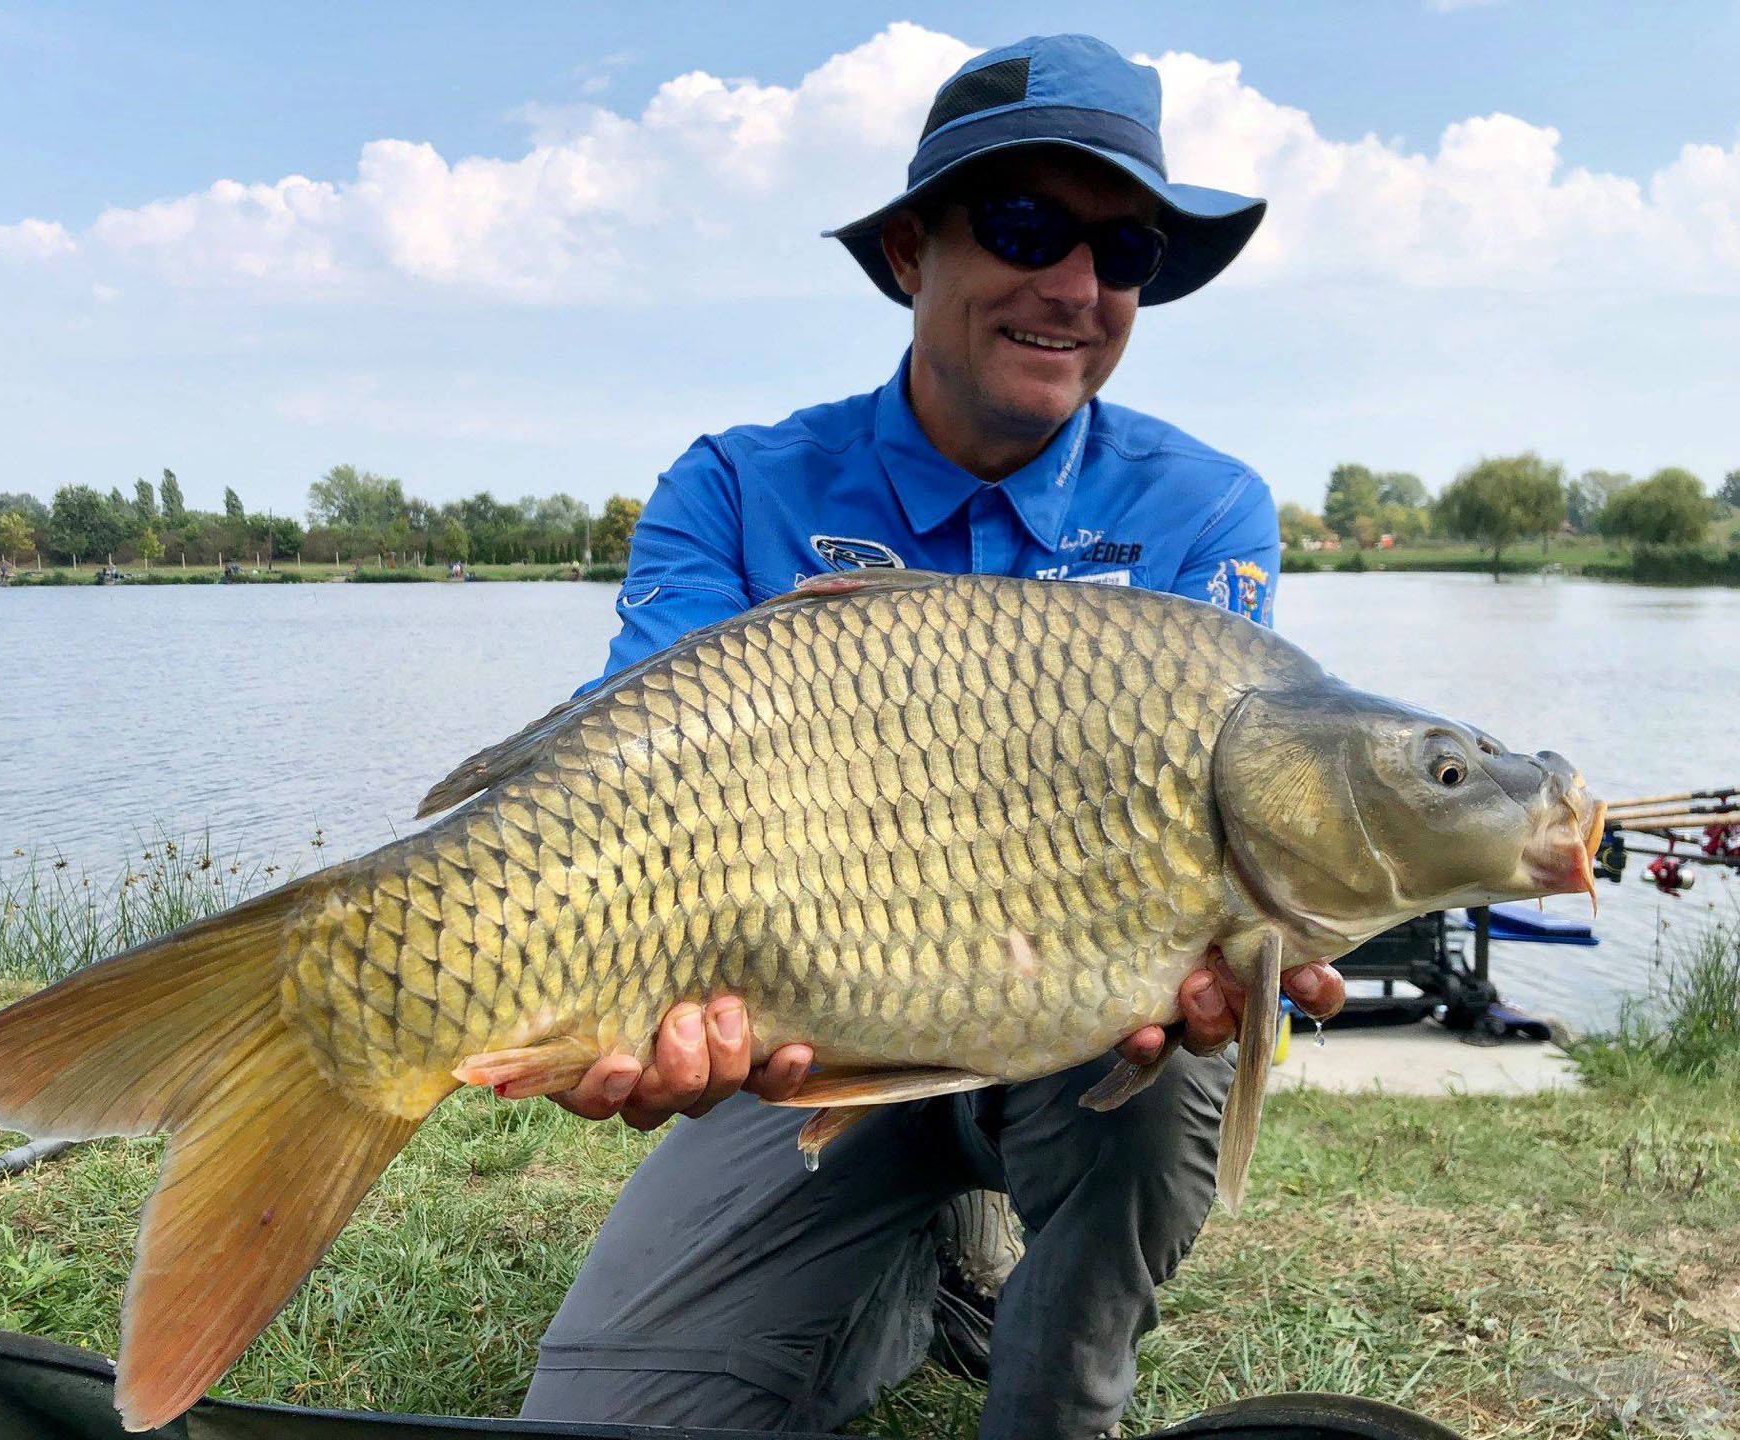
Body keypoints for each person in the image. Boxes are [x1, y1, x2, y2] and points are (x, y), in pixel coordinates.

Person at [518, 34, 1347, 1439]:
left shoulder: (1206, 510)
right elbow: (625, 797)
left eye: (1125, 249)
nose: (1076, 288)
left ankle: (1053, 1402)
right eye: (1024, 227)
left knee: (1172, 1050)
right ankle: (915, 1268)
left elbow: (1239, 813)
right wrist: (628, 997)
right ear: (911, 252)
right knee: (614, 1424)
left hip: (1084, 1049)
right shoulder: (733, 487)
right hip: (797, 1037)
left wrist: (1262, 939)